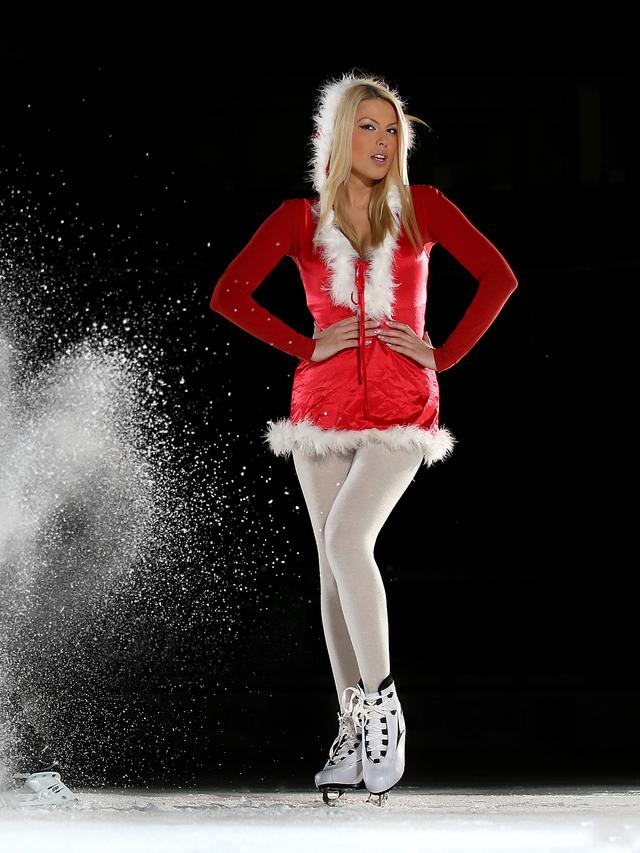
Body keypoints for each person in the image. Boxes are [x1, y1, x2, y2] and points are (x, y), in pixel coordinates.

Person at [209, 71, 518, 804]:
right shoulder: (298, 218)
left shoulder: (424, 209)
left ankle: (383, 707)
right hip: (321, 408)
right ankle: (349, 730)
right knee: (330, 568)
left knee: (349, 539)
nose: (383, 141)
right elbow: (228, 294)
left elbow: (499, 279)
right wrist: (303, 344)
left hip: (402, 404)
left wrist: (441, 353)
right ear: (340, 134)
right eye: (370, 127)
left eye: (392, 131)